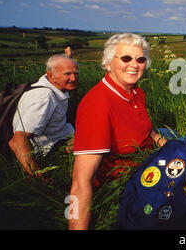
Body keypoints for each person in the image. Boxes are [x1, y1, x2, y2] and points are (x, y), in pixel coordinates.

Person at [69, 33, 167, 230]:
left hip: (151, 154)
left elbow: (146, 130)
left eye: (140, 59)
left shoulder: (136, 92)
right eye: (126, 58)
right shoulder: (98, 105)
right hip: (130, 177)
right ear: (107, 63)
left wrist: (166, 144)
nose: (134, 64)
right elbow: (80, 181)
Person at [9, 54, 78, 176]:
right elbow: (18, 140)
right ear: (51, 75)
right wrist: (37, 176)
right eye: (67, 74)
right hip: (49, 148)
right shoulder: (44, 98)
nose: (73, 78)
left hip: (61, 133)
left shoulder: (54, 86)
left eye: (75, 73)